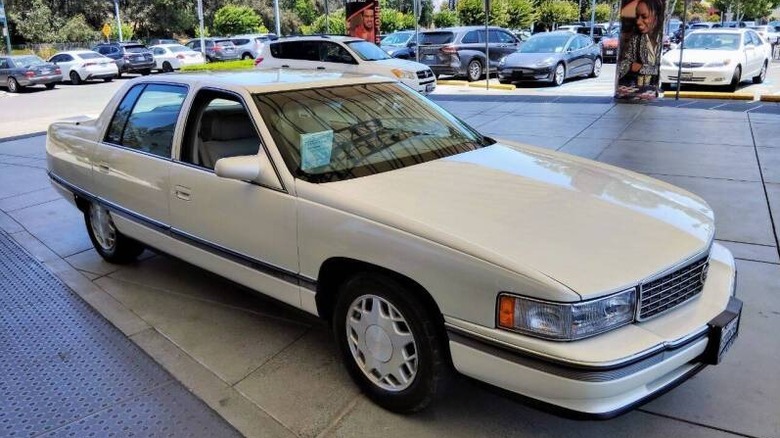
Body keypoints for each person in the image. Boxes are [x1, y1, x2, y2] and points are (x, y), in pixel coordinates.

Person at [617, 0, 664, 98]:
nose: (638, 22)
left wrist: (642, 68)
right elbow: (623, 66)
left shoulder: (661, 40)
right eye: (637, 16)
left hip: (650, 94)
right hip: (635, 93)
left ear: (656, 16)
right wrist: (631, 66)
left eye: (644, 16)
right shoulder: (636, 40)